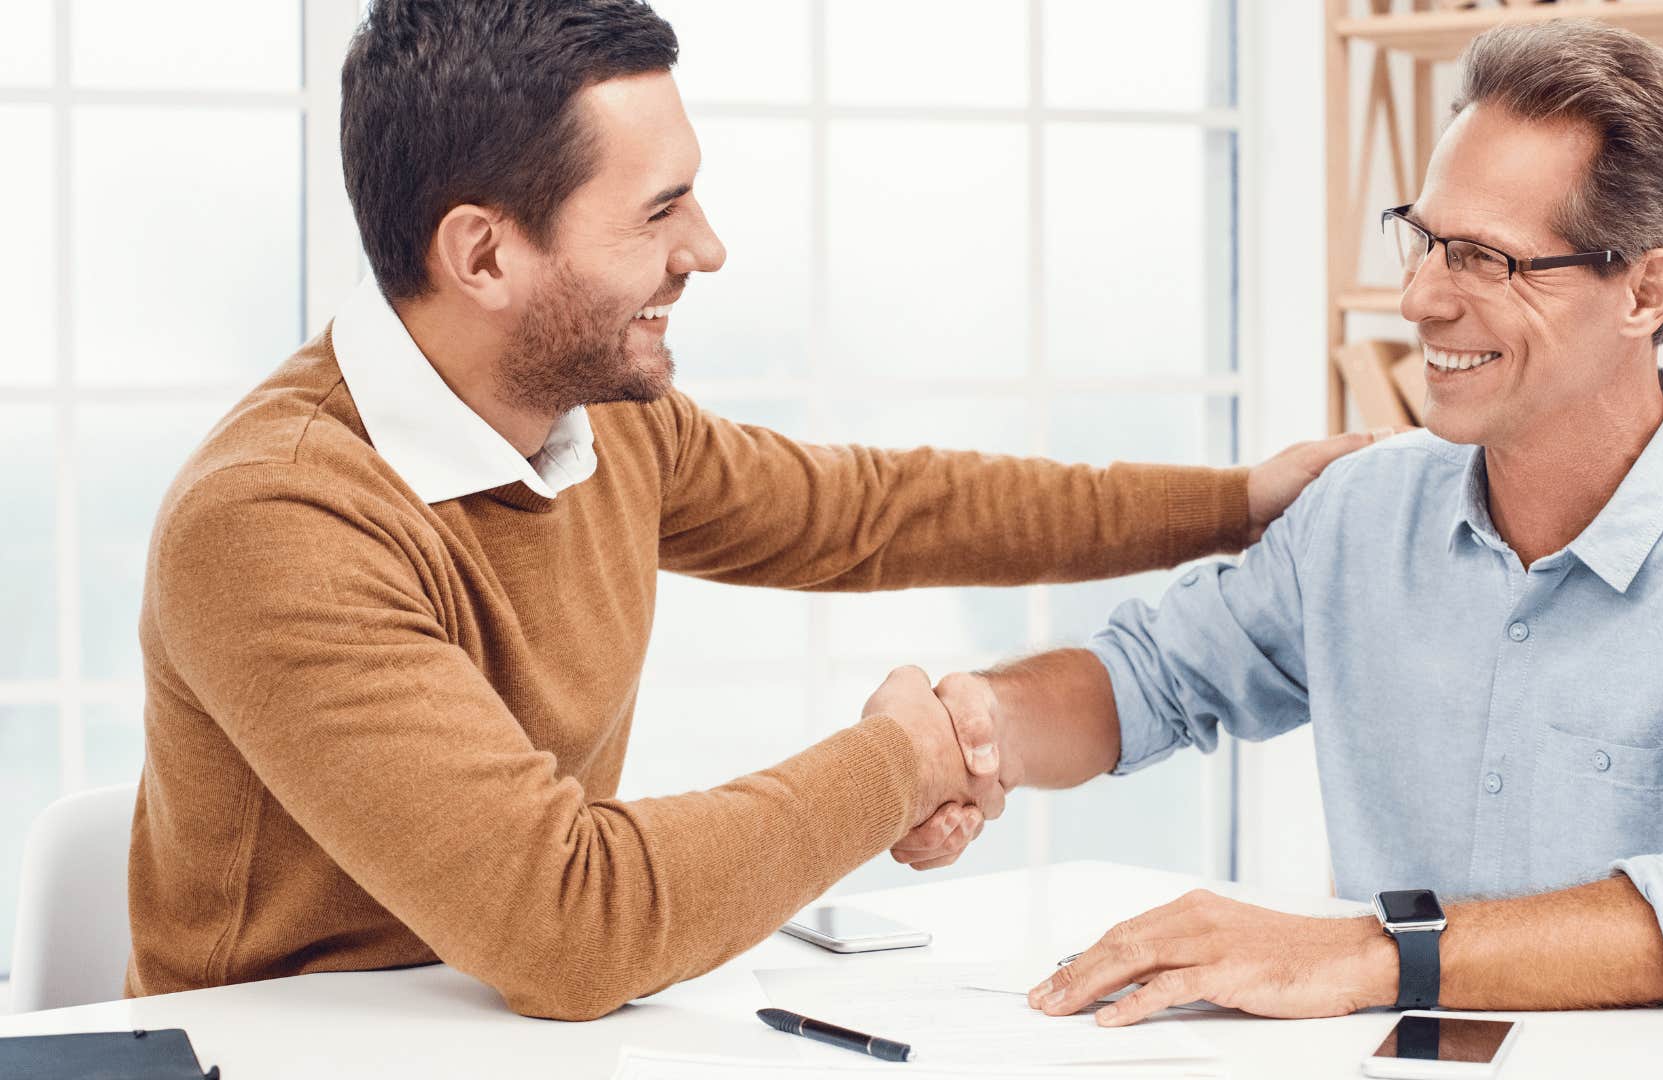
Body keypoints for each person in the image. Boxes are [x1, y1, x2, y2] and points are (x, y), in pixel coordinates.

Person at [124, 0, 1377, 1021]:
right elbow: (571, 924)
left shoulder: (596, 418)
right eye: (659, 210)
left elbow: (879, 513)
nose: (707, 248)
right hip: (281, 1053)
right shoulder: (279, 519)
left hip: (502, 1036)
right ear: (485, 255)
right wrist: (906, 761)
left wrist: (1238, 503)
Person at [905, 19, 1663, 1024]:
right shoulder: (1359, 514)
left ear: (1642, 291)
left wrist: (1372, 954)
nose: (1420, 298)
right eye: (1425, 239)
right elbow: (1151, 678)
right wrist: (978, 735)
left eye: (1483, 259)